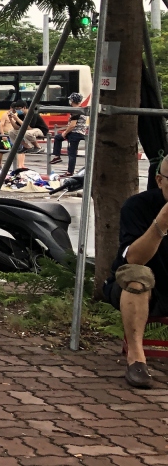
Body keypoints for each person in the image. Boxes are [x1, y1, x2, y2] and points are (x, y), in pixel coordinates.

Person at [103, 156, 168, 388]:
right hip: (140, 290)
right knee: (136, 276)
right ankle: (136, 360)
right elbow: (134, 259)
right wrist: (161, 222)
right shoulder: (138, 206)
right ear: (159, 181)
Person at [51, 93, 88, 174]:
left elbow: (72, 125)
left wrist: (65, 133)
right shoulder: (81, 109)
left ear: (72, 101)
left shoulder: (76, 111)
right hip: (78, 132)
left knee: (72, 153)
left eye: (70, 99)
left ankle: (69, 171)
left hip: (74, 133)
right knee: (58, 138)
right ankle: (57, 156)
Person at [0, 101, 44, 168]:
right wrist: (11, 119)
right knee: (11, 132)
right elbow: (16, 128)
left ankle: (38, 147)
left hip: (39, 130)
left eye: (19, 108)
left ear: (24, 107)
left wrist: (17, 119)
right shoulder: (20, 115)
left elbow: (29, 128)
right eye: (16, 109)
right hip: (29, 131)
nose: (17, 110)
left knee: (26, 133)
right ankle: (26, 146)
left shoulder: (32, 114)